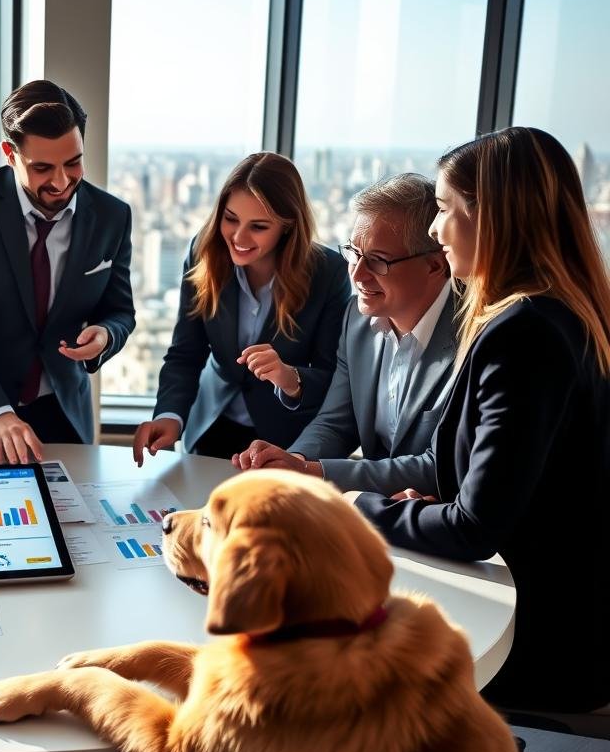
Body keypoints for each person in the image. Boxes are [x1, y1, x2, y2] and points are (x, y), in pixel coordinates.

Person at [349, 127, 610, 713]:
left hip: (534, 634)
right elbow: (497, 482)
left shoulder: (525, 333)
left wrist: (352, 509)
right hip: (553, 606)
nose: (436, 232)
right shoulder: (563, 313)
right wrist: (427, 502)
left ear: (492, 219)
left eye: (444, 211)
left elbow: (475, 527)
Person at [0, 80, 135, 463]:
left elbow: (120, 312)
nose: (61, 182)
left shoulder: (112, 216)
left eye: (73, 163)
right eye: (42, 168)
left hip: (63, 414)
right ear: (10, 153)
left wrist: (105, 335)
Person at [232, 173, 455, 495]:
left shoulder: (473, 337)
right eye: (354, 252)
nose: (358, 274)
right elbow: (336, 422)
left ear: (435, 266)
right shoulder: (358, 319)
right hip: (377, 512)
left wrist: (309, 471)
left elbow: (439, 466)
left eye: (378, 261)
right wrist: (292, 461)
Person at [133, 152, 349, 465]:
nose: (238, 237)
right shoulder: (203, 253)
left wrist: (289, 378)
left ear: (287, 227)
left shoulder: (328, 273)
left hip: (281, 441)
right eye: (231, 219)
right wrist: (170, 415)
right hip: (209, 427)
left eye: (258, 227)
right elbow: (186, 352)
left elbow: (333, 378)